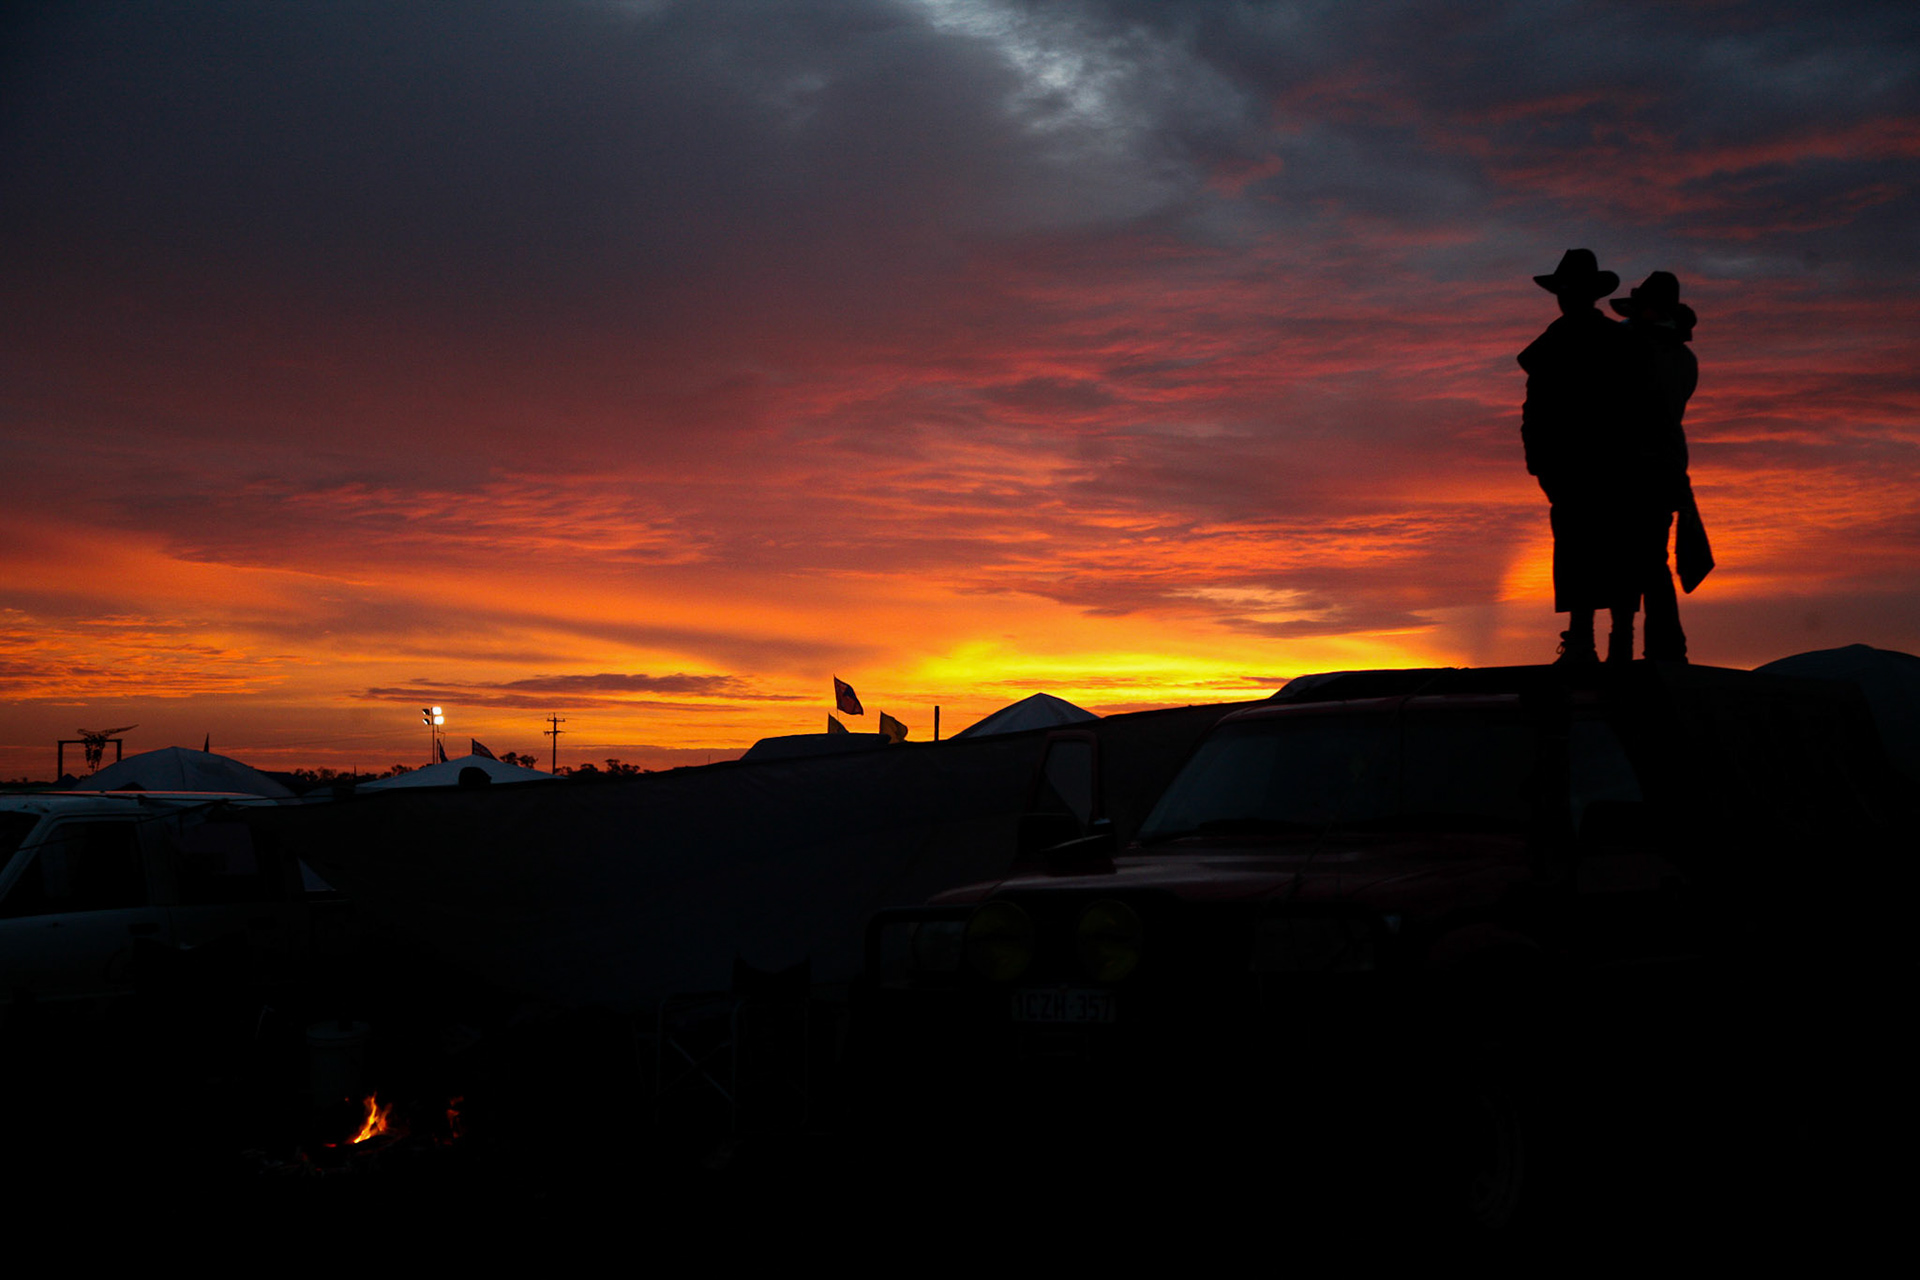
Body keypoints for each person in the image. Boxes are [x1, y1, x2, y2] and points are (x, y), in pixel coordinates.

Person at [1517, 249, 1664, 664]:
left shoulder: (1565, 344)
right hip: (1600, 464)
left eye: (1569, 291)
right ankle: (1599, 640)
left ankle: (1594, 641)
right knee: (1604, 547)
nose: (1566, 299)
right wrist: (1540, 461)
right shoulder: (1618, 342)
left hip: (1597, 463)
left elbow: (1536, 410)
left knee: (1588, 547)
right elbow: (1535, 411)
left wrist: (1540, 460)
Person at [1611, 271, 1697, 661]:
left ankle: (1643, 647)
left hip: (1639, 468)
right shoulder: (1683, 358)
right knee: (1649, 558)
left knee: (1638, 559)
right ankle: (1662, 647)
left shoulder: (1639, 350)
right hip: (1666, 468)